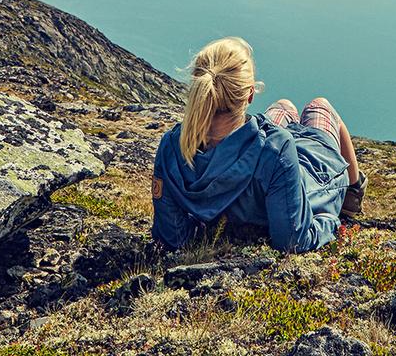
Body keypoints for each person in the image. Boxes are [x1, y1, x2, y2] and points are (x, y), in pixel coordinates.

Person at [151, 36, 368, 253]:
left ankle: (352, 189)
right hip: (307, 178)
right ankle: (352, 192)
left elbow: (172, 236)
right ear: (250, 95)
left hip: (260, 154)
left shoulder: (171, 146)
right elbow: (293, 240)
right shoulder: (275, 150)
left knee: (283, 106)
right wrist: (331, 223)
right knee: (319, 105)